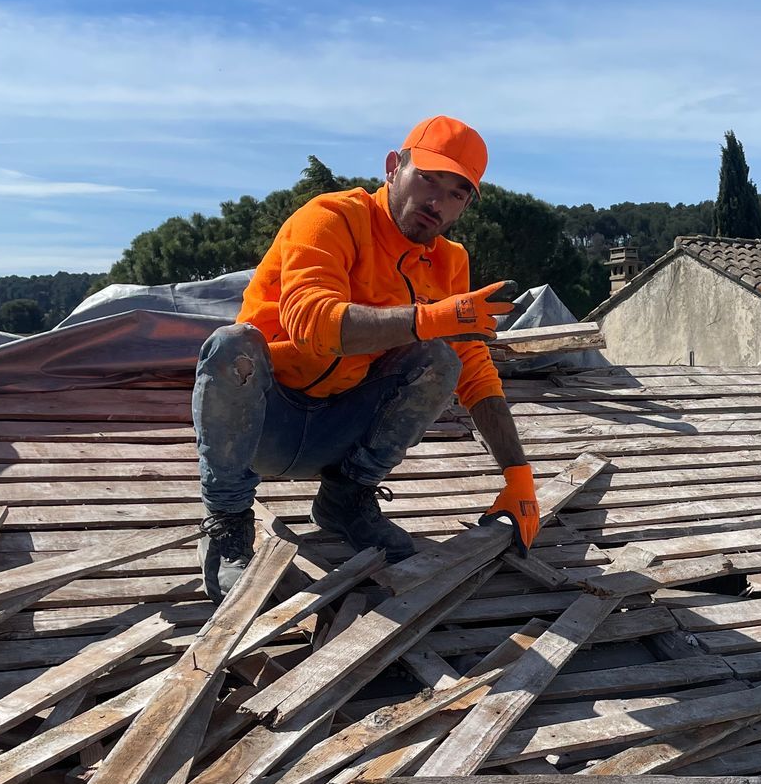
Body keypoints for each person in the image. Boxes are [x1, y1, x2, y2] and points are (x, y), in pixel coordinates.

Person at [190, 116, 539, 600]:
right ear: (394, 167)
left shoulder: (450, 261)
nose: (437, 202)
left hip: (340, 431)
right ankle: (228, 524)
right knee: (232, 346)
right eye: (428, 179)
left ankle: (346, 502)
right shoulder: (331, 217)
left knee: (442, 360)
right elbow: (311, 324)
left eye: (457, 192)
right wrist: (430, 317)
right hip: (265, 422)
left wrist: (518, 477)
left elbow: (474, 369)